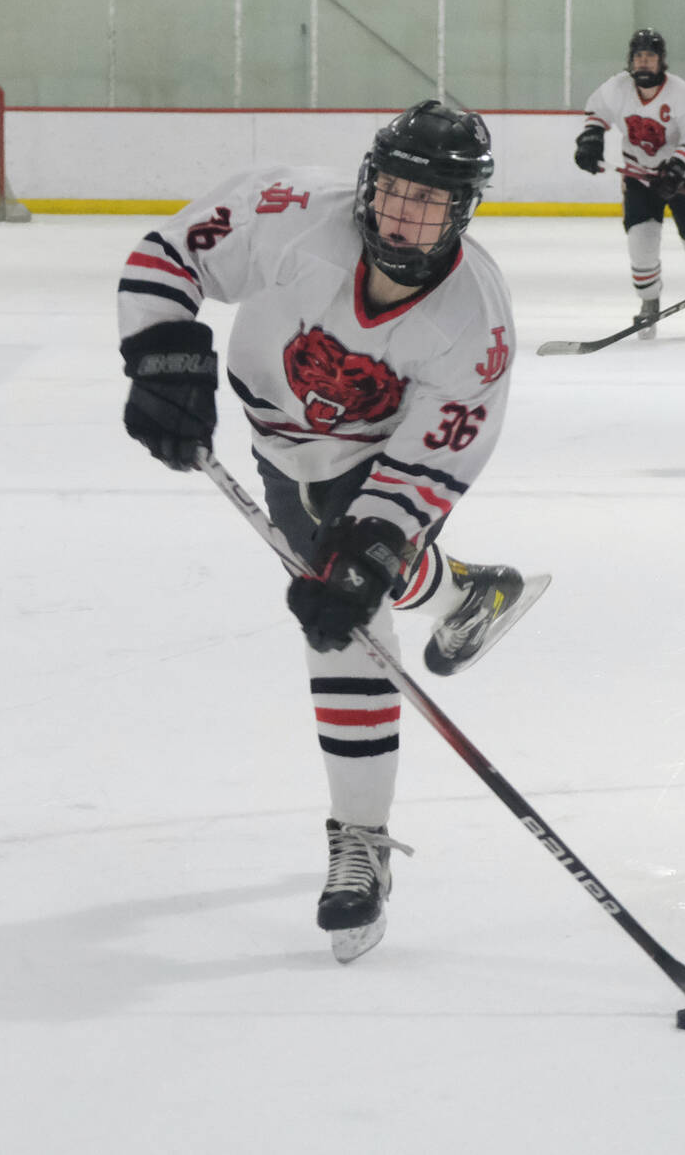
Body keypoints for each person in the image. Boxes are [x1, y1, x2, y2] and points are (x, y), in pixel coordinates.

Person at [117, 101, 546, 964]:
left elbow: (426, 468)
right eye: (391, 191)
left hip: (374, 454)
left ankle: (361, 842)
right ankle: (466, 591)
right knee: (350, 581)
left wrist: (375, 549)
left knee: (345, 619)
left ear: (463, 210)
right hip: (278, 442)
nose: (401, 216)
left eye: (428, 203)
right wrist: (162, 353)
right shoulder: (287, 214)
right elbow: (167, 255)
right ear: (366, 181)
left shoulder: (475, 322)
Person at [573, 29, 685, 339]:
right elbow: (595, 111)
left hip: (684, 175)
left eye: (650, 57)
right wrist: (591, 139)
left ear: (661, 62)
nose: (643, 62)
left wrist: (675, 170)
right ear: (631, 61)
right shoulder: (617, 88)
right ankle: (648, 303)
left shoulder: (683, 95)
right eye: (638, 57)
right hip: (639, 177)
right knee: (640, 243)